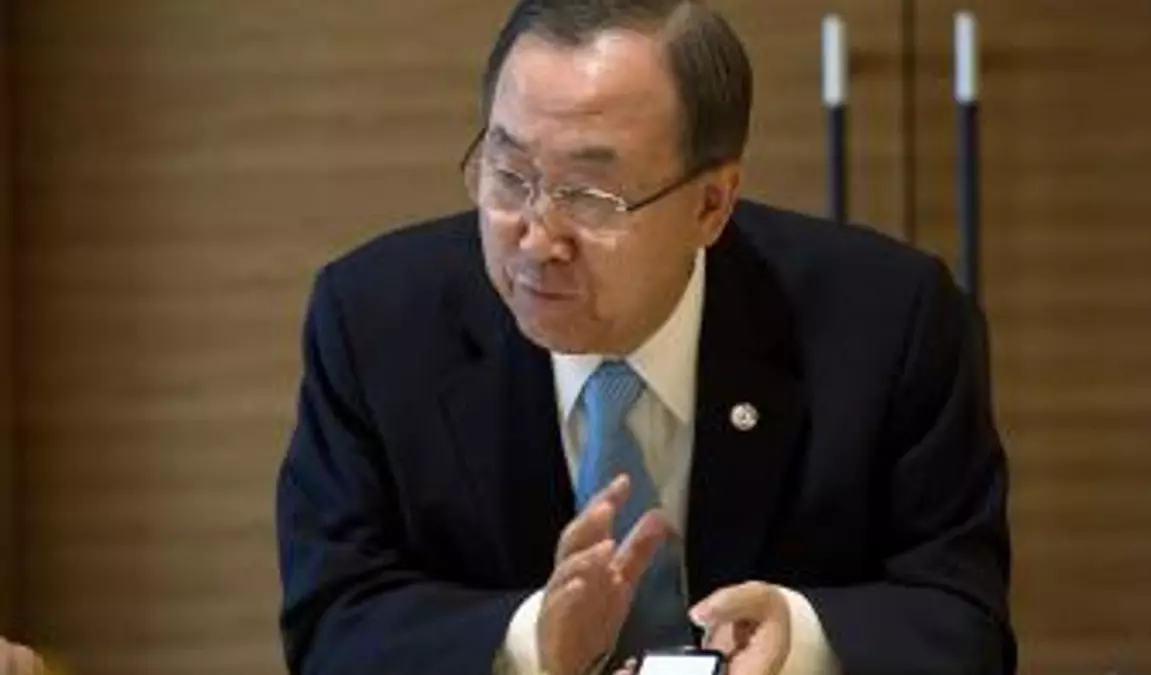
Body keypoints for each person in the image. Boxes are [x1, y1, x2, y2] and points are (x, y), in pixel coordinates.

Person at [275, 1, 1014, 674]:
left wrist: (801, 640)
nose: (537, 238)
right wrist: (531, 640)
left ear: (712, 204)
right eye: (509, 174)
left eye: (589, 195)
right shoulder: (375, 322)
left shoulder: (890, 321)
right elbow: (333, 625)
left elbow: (962, 622)